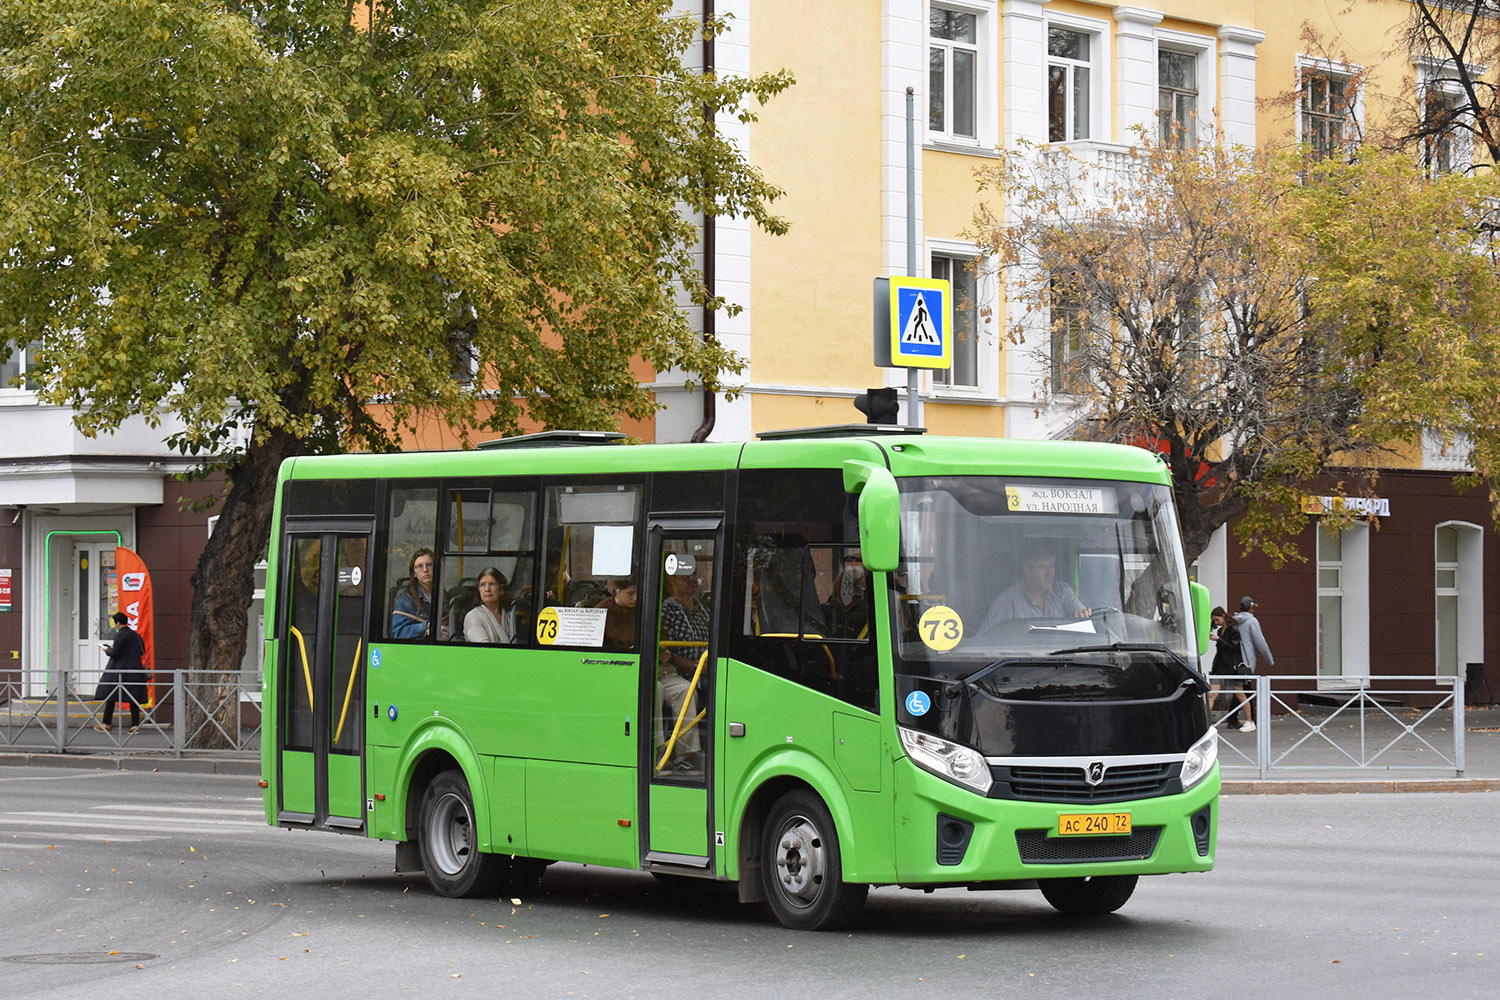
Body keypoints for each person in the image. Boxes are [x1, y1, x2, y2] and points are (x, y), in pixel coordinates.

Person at [980, 542, 1091, 631]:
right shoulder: (1006, 603)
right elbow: (984, 639)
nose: (1050, 573)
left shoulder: (1062, 591)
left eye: (1052, 565)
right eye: (1042, 567)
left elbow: (1082, 616)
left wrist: (1082, 614)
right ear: (1026, 571)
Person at [657, 569, 709, 758]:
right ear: (671, 580)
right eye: (685, 577)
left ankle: (690, 752)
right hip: (684, 669)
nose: (692, 581)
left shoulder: (702, 608)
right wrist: (696, 667)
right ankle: (669, 752)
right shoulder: (667, 611)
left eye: (694, 575)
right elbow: (667, 654)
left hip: (706, 665)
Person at [94, 612, 147, 733]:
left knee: (111, 696)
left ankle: (106, 723)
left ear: (118, 623)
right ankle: (135, 725)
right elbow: (141, 651)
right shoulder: (136, 635)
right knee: (133, 697)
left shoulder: (120, 635)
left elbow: (115, 653)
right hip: (135, 670)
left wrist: (107, 650)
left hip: (119, 671)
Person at [1208, 606, 1254, 732]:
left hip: (1231, 667)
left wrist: (1219, 640)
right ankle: (1205, 724)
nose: (1216, 623)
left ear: (1223, 616)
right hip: (1220, 667)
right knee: (1212, 694)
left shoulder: (1233, 630)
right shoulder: (1220, 631)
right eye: (1214, 621)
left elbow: (1232, 648)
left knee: (1240, 694)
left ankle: (1250, 721)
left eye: (1217, 620)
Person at [1232, 596, 1275, 733]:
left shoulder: (1235, 620)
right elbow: (1260, 642)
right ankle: (1249, 720)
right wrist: (1269, 659)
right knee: (1245, 688)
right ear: (1251, 607)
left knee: (1239, 688)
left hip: (1234, 659)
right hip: (1247, 660)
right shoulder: (1252, 621)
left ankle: (1233, 718)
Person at [391, 548, 436, 638]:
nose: (425, 570)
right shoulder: (405, 596)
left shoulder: (443, 594)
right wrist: (426, 626)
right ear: (414, 573)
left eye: (429, 565)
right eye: (419, 566)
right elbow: (399, 633)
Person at [463, 567, 513, 645]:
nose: (487, 589)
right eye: (482, 585)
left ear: (502, 590)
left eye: (492, 584)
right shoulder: (473, 616)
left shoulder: (509, 613)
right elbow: (483, 649)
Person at [597, 579, 638, 652]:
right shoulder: (602, 610)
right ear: (617, 591)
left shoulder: (642, 608)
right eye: (630, 593)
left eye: (638, 593)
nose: (635, 598)